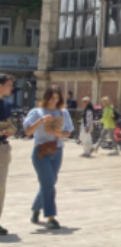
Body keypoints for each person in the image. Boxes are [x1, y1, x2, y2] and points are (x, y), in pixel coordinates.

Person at [23, 85, 74, 230]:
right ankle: (51, 217)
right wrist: (41, 120)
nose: (54, 100)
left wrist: (60, 134)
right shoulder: (37, 112)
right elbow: (27, 131)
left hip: (57, 151)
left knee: (50, 182)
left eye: (56, 98)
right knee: (48, 184)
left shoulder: (63, 112)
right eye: (51, 97)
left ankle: (36, 208)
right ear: (46, 97)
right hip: (41, 152)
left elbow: (68, 132)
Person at [0, 74, 15, 236]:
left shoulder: (6, 104)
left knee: (1, 187)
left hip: (2, 149)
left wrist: (10, 131)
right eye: (9, 85)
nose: (12, 88)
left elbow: (9, 124)